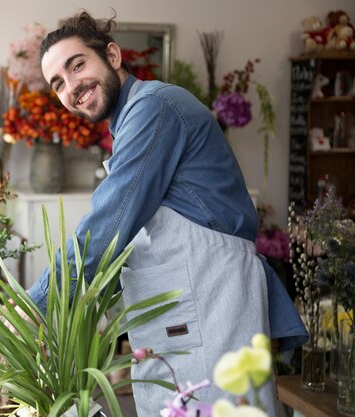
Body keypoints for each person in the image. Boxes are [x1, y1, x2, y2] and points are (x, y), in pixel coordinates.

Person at [26, 10, 308, 417]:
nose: (72, 87)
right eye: (58, 83)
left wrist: (36, 305)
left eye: (77, 65)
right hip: (190, 313)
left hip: (212, 308)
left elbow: (109, 225)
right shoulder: (130, 123)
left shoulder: (154, 108)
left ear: (113, 55)